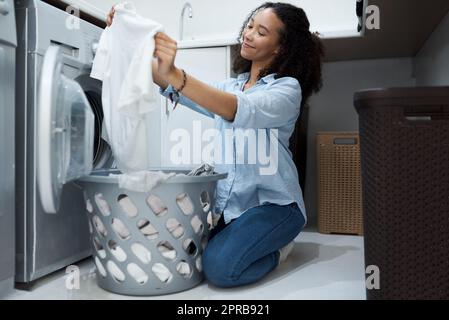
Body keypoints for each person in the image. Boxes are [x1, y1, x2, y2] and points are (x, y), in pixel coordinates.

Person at [106, 2, 324, 288]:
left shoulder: (286, 90)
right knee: (173, 247)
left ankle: (278, 251)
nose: (248, 34)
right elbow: (173, 85)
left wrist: (176, 74)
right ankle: (241, 241)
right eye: (249, 26)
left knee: (220, 269)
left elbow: (235, 108)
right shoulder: (229, 86)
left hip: (274, 205)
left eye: (261, 32)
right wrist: (123, 37)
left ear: (280, 47)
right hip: (232, 206)